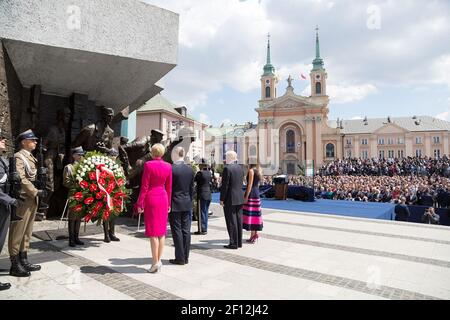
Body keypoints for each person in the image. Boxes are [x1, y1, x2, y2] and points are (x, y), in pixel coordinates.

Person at [9, 130, 46, 277]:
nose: (35, 142)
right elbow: (22, 179)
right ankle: (14, 264)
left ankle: (23, 259)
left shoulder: (31, 157)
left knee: (27, 232)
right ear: (24, 142)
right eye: (32, 140)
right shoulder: (19, 157)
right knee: (17, 232)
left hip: (31, 199)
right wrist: (35, 191)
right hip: (24, 199)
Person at [136, 143, 172, 273]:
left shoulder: (149, 165)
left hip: (151, 198)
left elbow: (144, 186)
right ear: (162, 153)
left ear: (152, 153)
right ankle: (159, 260)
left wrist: (140, 203)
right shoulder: (168, 166)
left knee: (152, 233)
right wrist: (168, 204)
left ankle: (155, 262)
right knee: (161, 232)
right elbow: (169, 187)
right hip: (163, 198)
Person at [0, 134, 21, 290]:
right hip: (3, 203)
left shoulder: (5, 160)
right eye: (0, 139)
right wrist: (9, 200)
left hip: (4, 207)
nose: (4, 141)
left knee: (0, 241)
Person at [169, 147, 194, 265]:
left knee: (177, 230)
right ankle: (186, 256)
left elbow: (169, 188)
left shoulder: (172, 169)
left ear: (175, 154)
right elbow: (191, 189)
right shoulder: (190, 169)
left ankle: (180, 257)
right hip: (187, 202)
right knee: (186, 230)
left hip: (174, 203)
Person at [220, 150, 244, 249]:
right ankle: (239, 242)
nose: (225, 159)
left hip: (230, 198)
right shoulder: (240, 168)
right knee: (239, 220)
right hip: (239, 197)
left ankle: (233, 243)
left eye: (226, 157)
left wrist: (222, 199)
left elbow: (225, 186)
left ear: (229, 158)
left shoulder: (227, 169)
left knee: (231, 221)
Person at [62, 147, 85, 247]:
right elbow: (65, 182)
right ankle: (71, 239)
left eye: (82, 155)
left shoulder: (85, 167)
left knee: (79, 217)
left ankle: (77, 237)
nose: (81, 156)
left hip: (83, 194)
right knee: (72, 217)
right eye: (79, 154)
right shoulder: (69, 167)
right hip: (73, 194)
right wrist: (76, 184)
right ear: (74, 155)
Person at [243, 164, 263, 243]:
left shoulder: (251, 171)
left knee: (251, 215)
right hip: (256, 193)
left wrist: (246, 196)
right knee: (255, 215)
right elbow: (257, 185)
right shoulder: (259, 171)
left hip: (251, 194)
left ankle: (253, 235)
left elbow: (249, 185)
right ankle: (254, 234)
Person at [194, 159, 212, 235]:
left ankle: (202, 229)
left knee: (201, 212)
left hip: (202, 194)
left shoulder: (200, 173)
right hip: (208, 194)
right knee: (205, 212)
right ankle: (205, 228)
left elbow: (195, 180)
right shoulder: (209, 173)